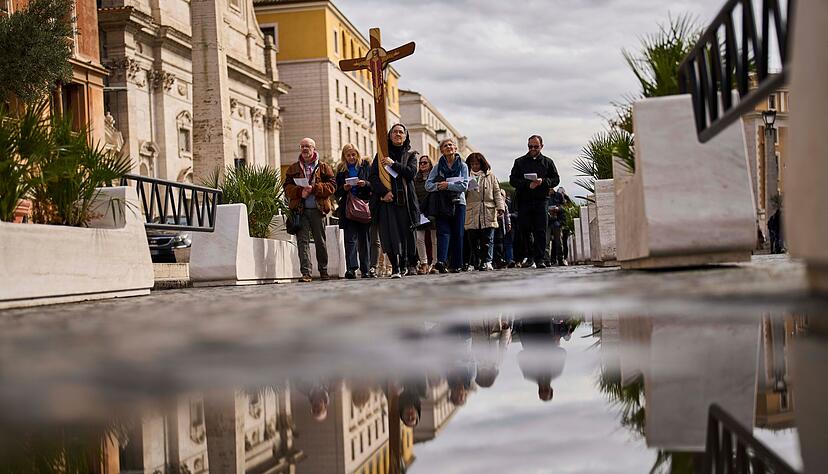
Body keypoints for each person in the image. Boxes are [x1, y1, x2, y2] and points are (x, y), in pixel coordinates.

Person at [368, 124, 419, 278]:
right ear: (390, 136)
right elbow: (373, 177)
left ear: (405, 136)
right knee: (389, 234)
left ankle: (405, 265)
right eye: (394, 132)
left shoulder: (411, 155)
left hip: (405, 202)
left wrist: (393, 164)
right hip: (387, 201)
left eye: (401, 132)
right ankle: (395, 268)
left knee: (405, 235)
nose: (398, 134)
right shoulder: (381, 155)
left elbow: (410, 173)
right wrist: (384, 192)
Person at [285, 137, 337, 282]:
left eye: (307, 146)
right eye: (302, 146)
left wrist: (314, 188)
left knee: (320, 241)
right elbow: (287, 188)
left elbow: (332, 186)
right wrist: (299, 192)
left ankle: (323, 271)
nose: (304, 149)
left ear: (314, 148)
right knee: (303, 242)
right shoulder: (293, 168)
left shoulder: (324, 167)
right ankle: (306, 273)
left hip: (318, 209)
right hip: (300, 211)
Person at [509, 135, 560, 269]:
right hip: (524, 200)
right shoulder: (519, 162)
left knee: (540, 230)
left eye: (535, 146)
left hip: (541, 200)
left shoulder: (548, 162)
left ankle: (540, 259)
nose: (532, 149)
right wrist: (527, 184)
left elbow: (556, 179)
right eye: (530, 146)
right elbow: (513, 180)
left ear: (541, 146)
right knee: (524, 229)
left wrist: (543, 181)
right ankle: (530, 255)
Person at [425, 138, 469, 273]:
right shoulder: (437, 167)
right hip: (442, 203)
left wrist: (448, 185)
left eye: (451, 145)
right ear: (442, 150)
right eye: (445, 145)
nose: (449, 147)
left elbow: (464, 186)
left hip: (458, 203)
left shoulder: (463, 166)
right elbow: (428, 185)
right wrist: (439, 186)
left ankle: (457, 264)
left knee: (458, 234)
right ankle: (441, 262)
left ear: (455, 148)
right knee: (443, 232)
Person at [335, 144, 373, 279]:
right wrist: (344, 188)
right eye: (348, 155)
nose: (351, 157)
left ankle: (365, 269)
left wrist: (365, 184)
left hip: (364, 207)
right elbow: (336, 192)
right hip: (348, 208)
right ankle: (351, 268)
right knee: (350, 239)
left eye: (353, 154)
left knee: (364, 240)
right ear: (344, 156)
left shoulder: (365, 166)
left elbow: (373, 184)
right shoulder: (341, 170)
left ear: (357, 154)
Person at [464, 152, 505, 271]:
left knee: (487, 239)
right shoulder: (465, 176)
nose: (475, 166)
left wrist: (500, 207)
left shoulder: (490, 176)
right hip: (472, 210)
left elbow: (496, 192)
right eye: (472, 164)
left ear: (482, 164)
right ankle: (476, 260)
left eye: (477, 164)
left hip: (488, 209)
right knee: (473, 239)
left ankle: (487, 261)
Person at [413, 155, 438, 274]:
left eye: (425, 163)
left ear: (430, 164)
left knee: (434, 239)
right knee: (419, 238)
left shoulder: (435, 178)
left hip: (433, 211)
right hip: (420, 212)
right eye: (420, 163)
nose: (422, 165)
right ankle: (424, 263)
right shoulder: (415, 179)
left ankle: (435, 264)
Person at [547, 187, 567, 266]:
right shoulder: (543, 195)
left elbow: (564, 207)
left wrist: (558, 209)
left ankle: (560, 259)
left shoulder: (558, 195)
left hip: (557, 221)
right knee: (546, 242)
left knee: (558, 242)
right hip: (547, 222)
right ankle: (547, 260)